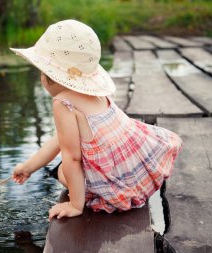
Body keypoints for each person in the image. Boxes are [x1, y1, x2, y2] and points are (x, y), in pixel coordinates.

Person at [10, 20, 182, 221]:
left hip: (115, 187)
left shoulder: (62, 103)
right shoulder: (97, 92)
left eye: (42, 70)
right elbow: (60, 140)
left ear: (51, 75)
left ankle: (79, 192)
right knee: (63, 166)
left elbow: (72, 159)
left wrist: (75, 204)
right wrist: (28, 167)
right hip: (135, 176)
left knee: (62, 171)